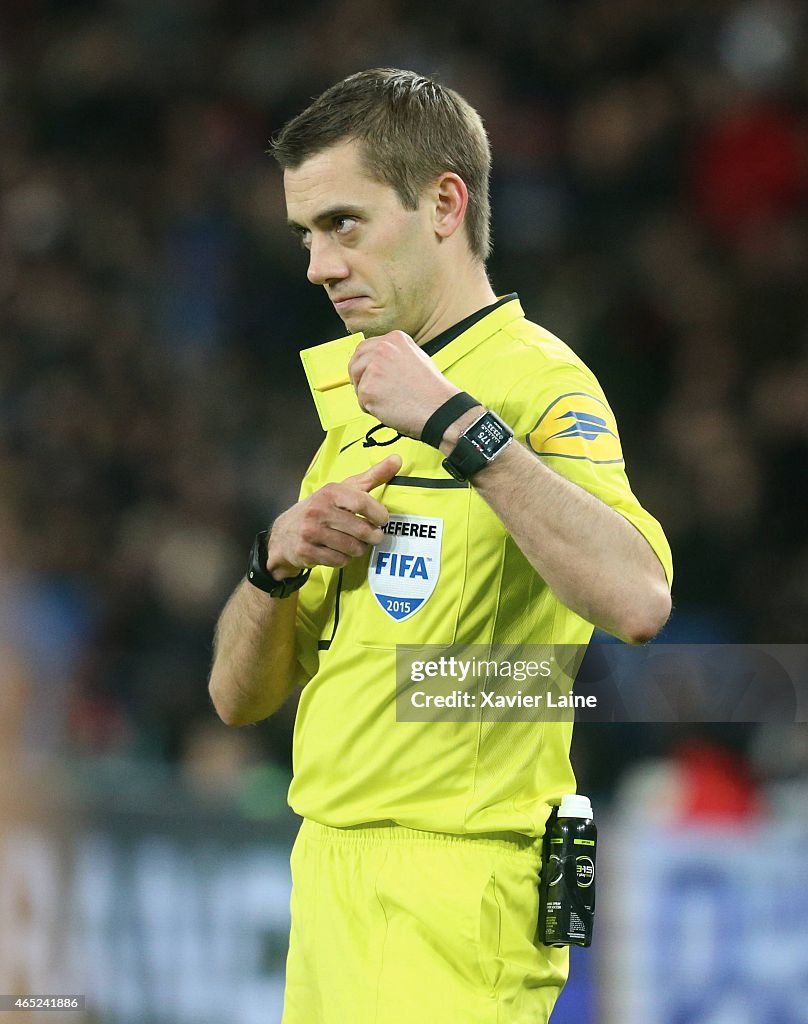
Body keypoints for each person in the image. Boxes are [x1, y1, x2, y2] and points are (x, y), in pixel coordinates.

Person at [209, 68, 672, 1024]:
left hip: (459, 892)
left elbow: (638, 598)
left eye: (343, 224)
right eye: (306, 235)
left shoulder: (538, 383)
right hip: (330, 865)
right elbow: (236, 698)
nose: (318, 265)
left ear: (445, 205)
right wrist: (275, 562)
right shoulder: (360, 406)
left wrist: (459, 423)